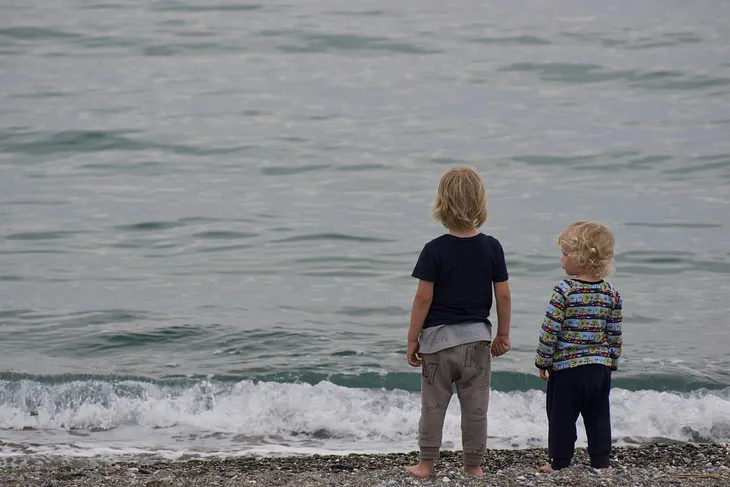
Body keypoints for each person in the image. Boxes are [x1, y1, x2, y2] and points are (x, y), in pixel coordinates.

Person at [404, 166, 512, 479]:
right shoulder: (492, 247)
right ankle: (474, 466)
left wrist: (413, 339)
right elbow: (503, 296)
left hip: (437, 343)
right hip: (477, 341)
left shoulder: (434, 250)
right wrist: (502, 334)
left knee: (433, 406)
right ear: (481, 204)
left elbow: (422, 299)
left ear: (441, 204)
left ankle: (425, 464)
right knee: (476, 407)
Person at [535, 221, 623, 472]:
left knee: (562, 417)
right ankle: (601, 462)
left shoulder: (564, 291)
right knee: (598, 416)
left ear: (582, 258)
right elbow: (614, 332)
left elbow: (550, 330)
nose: (561, 260)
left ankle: (560, 462)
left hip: (567, 370)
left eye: (565, 254)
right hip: (599, 368)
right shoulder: (611, 293)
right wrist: (612, 360)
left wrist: (543, 360)